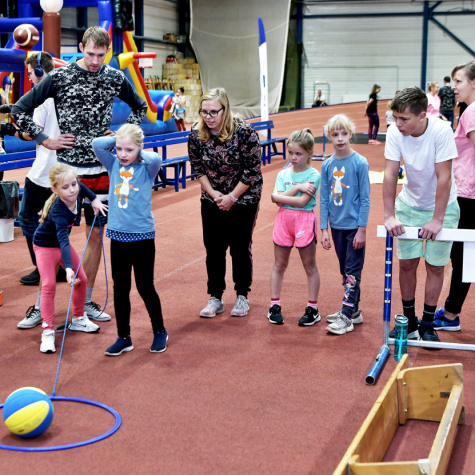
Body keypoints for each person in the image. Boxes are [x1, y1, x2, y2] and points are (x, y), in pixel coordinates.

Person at [12, 26, 148, 323]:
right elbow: (19, 109)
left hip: (101, 170)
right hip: (67, 171)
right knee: (52, 234)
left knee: (95, 235)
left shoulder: (114, 77)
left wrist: (121, 133)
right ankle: (41, 306)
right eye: (90, 54)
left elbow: (141, 107)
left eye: (101, 55)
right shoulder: (60, 77)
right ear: (80, 48)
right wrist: (45, 139)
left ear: (108, 51)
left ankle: (85, 303)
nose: (95, 61)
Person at [383, 86, 459, 343]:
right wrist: (389, 215)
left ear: (422, 116)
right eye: (395, 117)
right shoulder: (394, 132)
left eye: (404, 119)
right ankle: (409, 322)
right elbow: (390, 173)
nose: (398, 123)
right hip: (409, 205)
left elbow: (444, 177)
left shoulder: (441, 130)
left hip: (443, 206)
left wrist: (437, 219)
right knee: (407, 263)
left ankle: (427, 323)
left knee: (435, 266)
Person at [92, 124, 168, 355]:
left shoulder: (147, 168)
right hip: (118, 235)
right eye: (119, 149)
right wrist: (118, 139)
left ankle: (159, 331)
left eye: (129, 150)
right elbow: (97, 144)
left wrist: (137, 148)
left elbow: (156, 158)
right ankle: (123, 337)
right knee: (121, 288)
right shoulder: (113, 163)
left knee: (145, 286)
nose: (123, 154)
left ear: (139, 148)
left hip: (142, 236)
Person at [188, 87, 263, 318]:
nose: (208, 117)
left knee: (239, 247)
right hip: (212, 197)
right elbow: (197, 168)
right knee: (213, 248)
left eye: (214, 112)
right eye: (204, 112)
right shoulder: (196, 133)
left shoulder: (245, 132)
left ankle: (242, 295)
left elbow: (252, 171)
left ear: (225, 109)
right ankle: (215, 297)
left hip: (243, 195)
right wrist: (214, 195)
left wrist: (232, 197)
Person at [34, 164, 108, 353]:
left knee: (81, 278)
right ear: (55, 190)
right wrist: (67, 268)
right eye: (65, 187)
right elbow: (63, 241)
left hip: (60, 245)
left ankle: (78, 318)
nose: (73, 190)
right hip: (45, 246)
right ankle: (47, 331)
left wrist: (95, 200)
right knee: (49, 285)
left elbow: (84, 188)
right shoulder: (58, 211)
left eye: (73, 184)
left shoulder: (77, 189)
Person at [433, 61, 475, 332]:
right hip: (468, 192)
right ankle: (451, 311)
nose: (454, 87)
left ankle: (450, 314)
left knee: (462, 256)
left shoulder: (472, 112)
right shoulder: (468, 111)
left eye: (459, 82)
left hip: (469, 195)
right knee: (465, 256)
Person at [320, 114, 370, 335]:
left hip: (354, 228)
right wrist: (324, 229)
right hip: (336, 227)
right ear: (329, 137)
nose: (340, 138)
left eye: (344, 133)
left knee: (352, 272)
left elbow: (365, 199)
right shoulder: (327, 165)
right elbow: (324, 199)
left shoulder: (360, 163)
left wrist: (362, 229)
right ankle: (355, 311)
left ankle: (347, 316)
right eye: (335, 134)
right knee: (345, 270)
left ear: (350, 134)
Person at [267, 129, 321, 326]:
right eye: (290, 152)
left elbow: (301, 202)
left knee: (309, 266)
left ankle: (313, 308)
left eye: (298, 153)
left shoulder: (314, 174)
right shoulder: (283, 173)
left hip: (304, 220)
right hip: (283, 221)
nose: (293, 157)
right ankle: (274, 306)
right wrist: (298, 187)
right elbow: (276, 200)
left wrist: (281, 196)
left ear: (309, 154)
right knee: (279, 264)